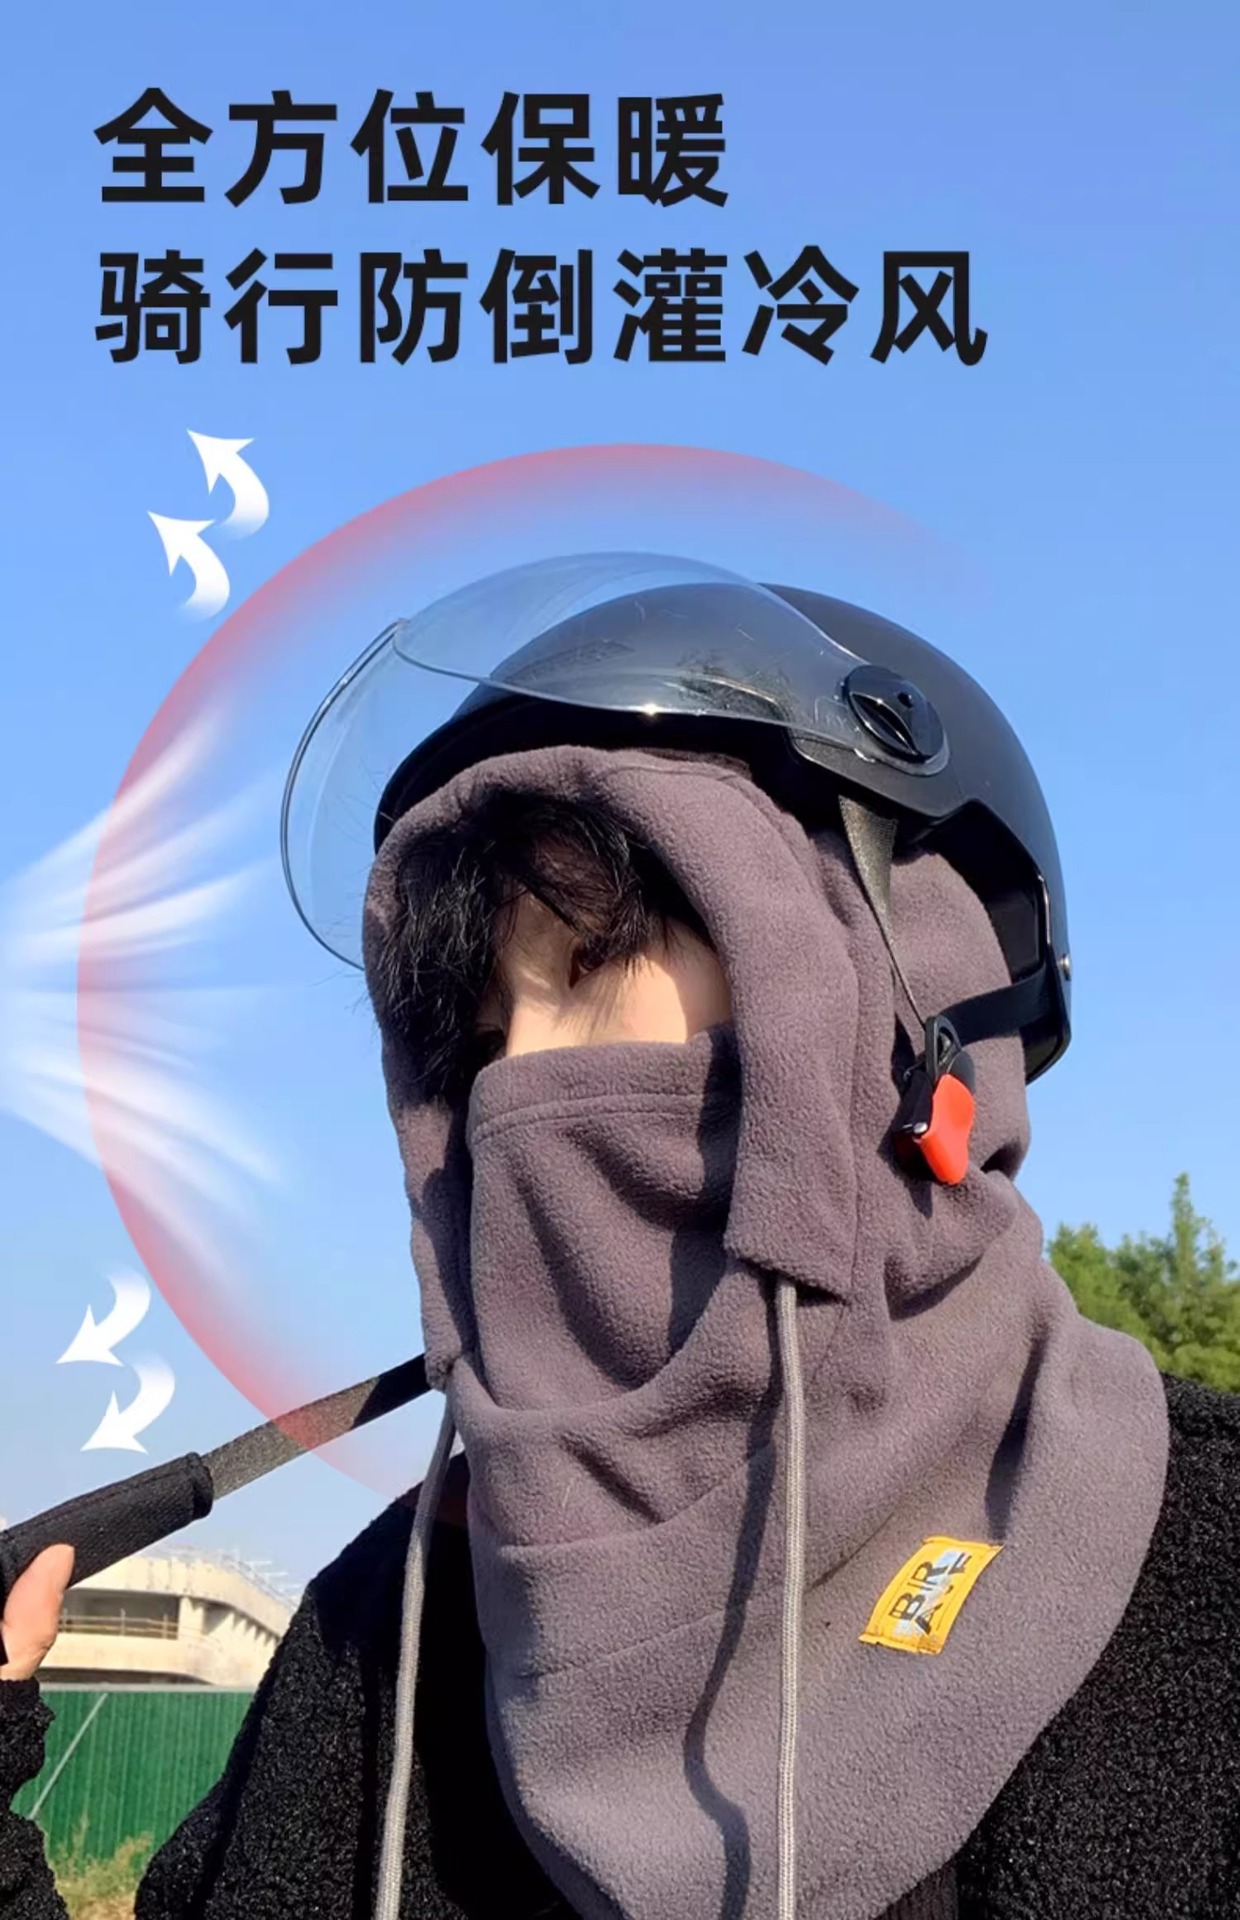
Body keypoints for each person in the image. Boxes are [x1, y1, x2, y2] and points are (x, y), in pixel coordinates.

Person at [2, 555, 1237, 1920]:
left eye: (590, 966)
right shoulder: (392, 1628)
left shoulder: (1202, 1560)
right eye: (480, 1045)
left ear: (906, 1009)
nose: (517, 1093)